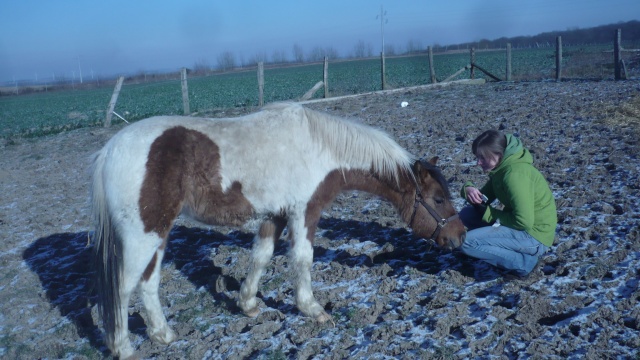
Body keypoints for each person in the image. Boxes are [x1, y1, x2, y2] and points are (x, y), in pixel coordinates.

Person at [458, 129, 557, 277]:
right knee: (467, 214)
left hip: (534, 236)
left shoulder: (514, 176)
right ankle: (503, 250)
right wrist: (468, 189)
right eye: (477, 157)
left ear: (499, 155)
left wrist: (490, 214)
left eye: (483, 157)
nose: (478, 162)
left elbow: (523, 221)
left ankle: (525, 264)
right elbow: (483, 198)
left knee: (466, 242)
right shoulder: (501, 171)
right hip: (521, 226)